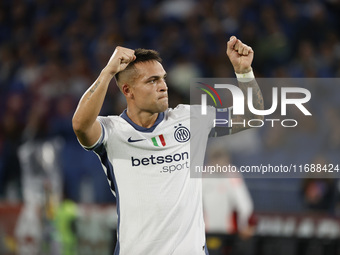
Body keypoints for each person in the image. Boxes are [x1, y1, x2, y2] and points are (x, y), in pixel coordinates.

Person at [72, 36, 263, 254]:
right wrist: (107, 72)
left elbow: (253, 116)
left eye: (163, 79)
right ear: (127, 91)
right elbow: (80, 125)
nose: (163, 86)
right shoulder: (112, 132)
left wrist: (244, 72)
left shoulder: (191, 119)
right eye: (152, 81)